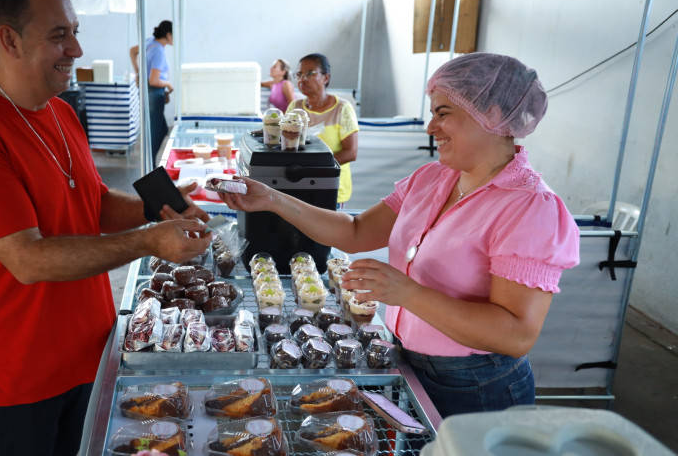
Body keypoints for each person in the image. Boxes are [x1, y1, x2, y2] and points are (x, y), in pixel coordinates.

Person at [0, 0, 211, 455]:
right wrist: (149, 241)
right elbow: (28, 258)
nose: (76, 49)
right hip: (19, 372)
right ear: (8, 39)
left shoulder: (59, 112)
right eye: (59, 36)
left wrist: (159, 204)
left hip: (90, 352)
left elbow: (93, 203)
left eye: (75, 32)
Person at [220, 53, 580, 419]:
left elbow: (515, 335)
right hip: (407, 362)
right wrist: (273, 199)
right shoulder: (434, 178)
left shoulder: (529, 207)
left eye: (443, 114)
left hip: (477, 386)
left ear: (490, 114)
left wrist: (406, 293)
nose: (430, 127)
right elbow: (355, 232)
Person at [286, 53, 358, 206]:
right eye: (299, 74)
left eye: (310, 73)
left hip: (331, 187)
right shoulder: (295, 108)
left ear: (326, 78)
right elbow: (285, 142)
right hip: (298, 184)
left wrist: (313, 168)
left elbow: (351, 153)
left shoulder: (342, 109)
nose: (302, 79)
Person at [129, 20, 174, 163]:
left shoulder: (150, 42)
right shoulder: (159, 51)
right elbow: (154, 80)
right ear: (168, 35)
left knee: (161, 130)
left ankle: (151, 165)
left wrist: (138, 73)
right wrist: (168, 84)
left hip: (148, 93)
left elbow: (132, 51)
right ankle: (150, 167)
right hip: (154, 94)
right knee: (154, 135)